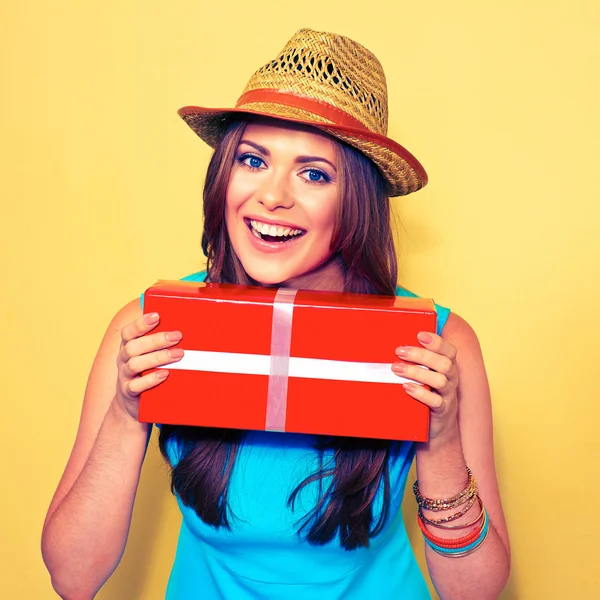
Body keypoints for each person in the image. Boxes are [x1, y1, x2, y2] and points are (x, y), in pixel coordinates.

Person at [41, 28, 510, 599]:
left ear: (356, 200)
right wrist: (124, 413)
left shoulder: (438, 343)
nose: (272, 196)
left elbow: (477, 592)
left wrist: (439, 443)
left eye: (314, 173)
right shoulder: (149, 326)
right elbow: (72, 576)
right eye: (253, 160)